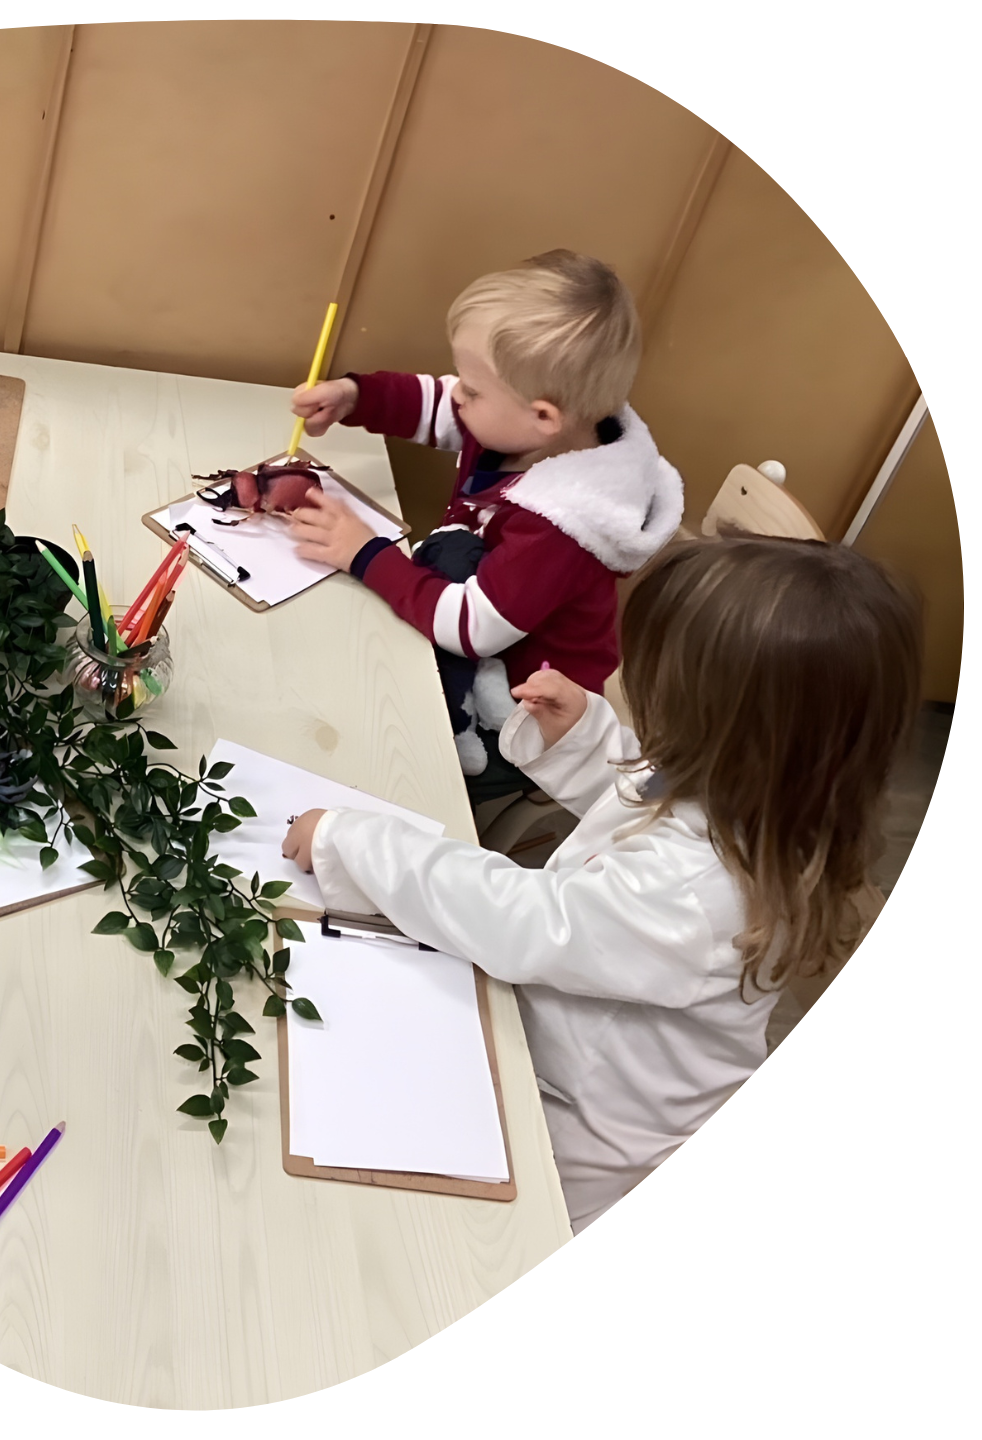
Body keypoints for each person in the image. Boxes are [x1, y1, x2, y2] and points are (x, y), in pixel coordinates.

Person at [281, 537, 922, 1232]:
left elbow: (524, 919)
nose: (630, 684)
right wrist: (585, 740)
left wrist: (354, 843)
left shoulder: (701, 889)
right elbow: (649, 800)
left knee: (450, 1237)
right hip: (552, 1042)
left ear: (724, 728)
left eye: (655, 687)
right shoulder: (770, 790)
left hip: (587, 1130)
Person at [288, 250, 682, 798]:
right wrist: (357, 397)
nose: (457, 394)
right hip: (469, 641)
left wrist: (364, 553)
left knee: (374, 758)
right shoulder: (526, 426)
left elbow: (471, 628)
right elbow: (434, 405)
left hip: (522, 720)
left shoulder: (563, 526)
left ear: (543, 416)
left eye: (472, 389)